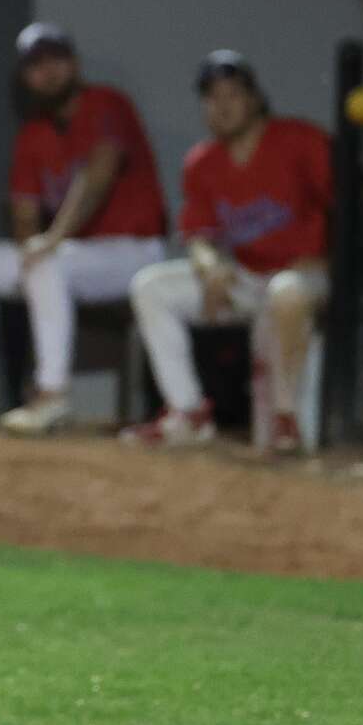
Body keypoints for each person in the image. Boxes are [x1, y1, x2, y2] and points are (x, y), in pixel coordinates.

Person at [0, 23, 167, 434]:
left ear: (74, 64)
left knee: (48, 262)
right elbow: (24, 214)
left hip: (134, 251)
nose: (48, 72)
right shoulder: (34, 133)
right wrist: (31, 248)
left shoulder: (107, 103)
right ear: (25, 77)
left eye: (56, 60)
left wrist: (52, 240)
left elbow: (98, 174)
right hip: (72, 255)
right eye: (36, 65)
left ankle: (51, 395)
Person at [123, 52, 333, 453]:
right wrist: (209, 265)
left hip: (307, 275)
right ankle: (188, 412)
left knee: (286, 291)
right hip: (249, 277)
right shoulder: (202, 162)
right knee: (151, 287)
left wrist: (332, 255)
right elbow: (199, 236)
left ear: (254, 99)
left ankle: (286, 418)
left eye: (233, 94)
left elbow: (354, 201)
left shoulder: (300, 140)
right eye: (212, 97)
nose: (222, 106)